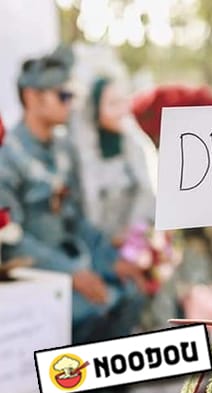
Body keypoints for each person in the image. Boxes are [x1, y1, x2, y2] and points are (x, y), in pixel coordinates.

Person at [0, 47, 148, 344]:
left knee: (131, 292)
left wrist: (109, 260)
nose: (71, 104)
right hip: (35, 275)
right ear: (32, 97)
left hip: (75, 260)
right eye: (62, 96)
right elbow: (10, 243)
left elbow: (76, 219)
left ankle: (110, 388)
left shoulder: (62, 149)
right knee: (96, 310)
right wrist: (72, 273)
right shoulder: (7, 156)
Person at [70, 77, 157, 241]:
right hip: (93, 245)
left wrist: (130, 235)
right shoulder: (81, 151)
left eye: (122, 102)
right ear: (95, 109)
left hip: (134, 242)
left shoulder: (133, 143)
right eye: (112, 104)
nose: (122, 111)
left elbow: (148, 189)